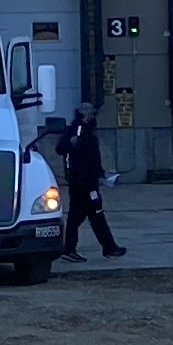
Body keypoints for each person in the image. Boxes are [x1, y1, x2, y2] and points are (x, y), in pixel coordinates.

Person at [59, 101, 122, 259]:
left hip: (85, 180)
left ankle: (107, 247)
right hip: (83, 183)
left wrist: (100, 173)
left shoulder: (85, 131)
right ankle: (106, 247)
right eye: (92, 114)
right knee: (91, 214)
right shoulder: (79, 130)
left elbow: (90, 158)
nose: (94, 117)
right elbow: (65, 149)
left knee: (91, 215)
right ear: (85, 115)